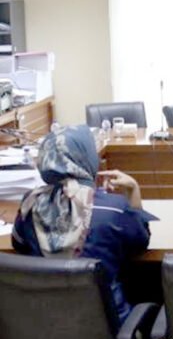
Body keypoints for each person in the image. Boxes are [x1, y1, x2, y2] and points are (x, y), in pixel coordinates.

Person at [11, 125, 156, 324]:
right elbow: (141, 244)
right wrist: (133, 193)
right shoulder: (114, 209)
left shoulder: (30, 204)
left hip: (44, 327)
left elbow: (19, 245)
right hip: (109, 329)